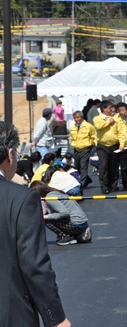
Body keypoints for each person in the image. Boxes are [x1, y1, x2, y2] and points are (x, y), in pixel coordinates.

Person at [0, 122, 71, 327]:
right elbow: (34, 266)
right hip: (10, 314)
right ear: (10, 154)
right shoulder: (21, 199)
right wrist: (56, 318)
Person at [31, 180, 92, 246]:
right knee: (48, 216)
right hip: (81, 223)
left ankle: (65, 236)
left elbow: (64, 213)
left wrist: (45, 217)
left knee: (45, 219)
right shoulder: (55, 193)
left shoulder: (50, 197)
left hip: (76, 224)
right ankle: (73, 235)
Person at [94, 100, 124, 194]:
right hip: (102, 145)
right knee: (104, 165)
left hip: (114, 145)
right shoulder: (97, 118)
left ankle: (113, 185)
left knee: (114, 166)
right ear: (104, 109)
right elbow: (98, 126)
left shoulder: (115, 119)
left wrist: (122, 144)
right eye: (110, 108)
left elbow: (120, 133)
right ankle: (104, 185)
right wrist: (108, 122)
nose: (112, 109)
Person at [69, 110, 95, 190]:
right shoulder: (73, 127)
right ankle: (87, 179)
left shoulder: (89, 126)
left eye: (77, 117)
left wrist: (91, 146)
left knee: (83, 166)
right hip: (76, 149)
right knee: (77, 166)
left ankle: (82, 183)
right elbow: (71, 137)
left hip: (86, 149)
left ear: (82, 117)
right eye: (74, 118)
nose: (76, 119)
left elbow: (93, 137)